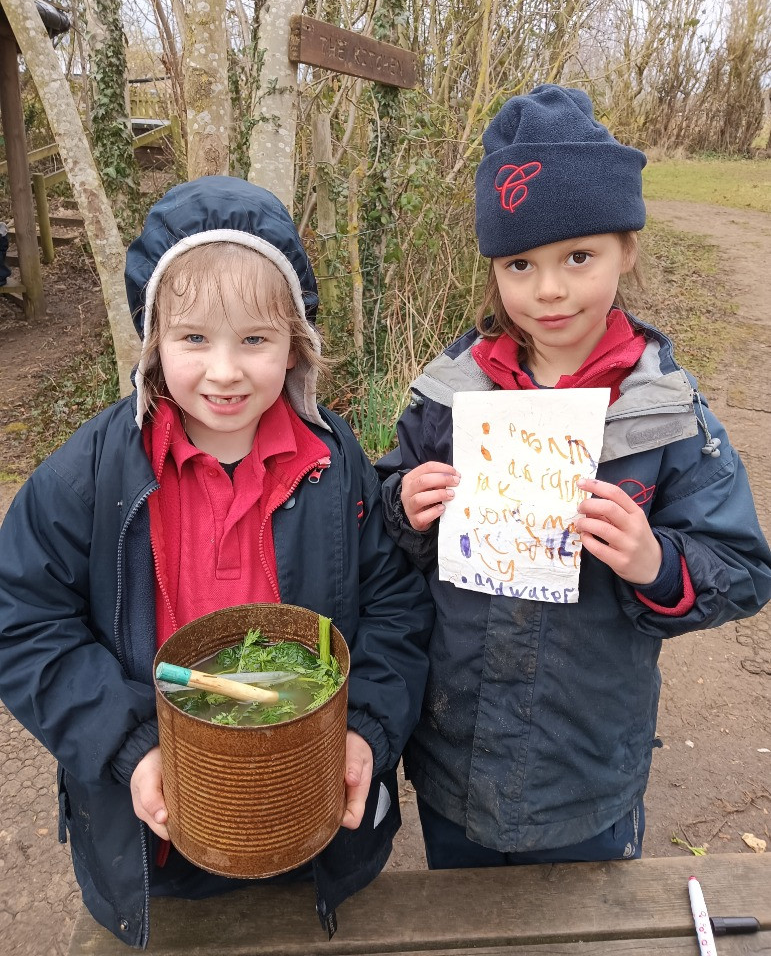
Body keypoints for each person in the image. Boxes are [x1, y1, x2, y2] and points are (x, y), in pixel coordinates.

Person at [0, 176, 434, 948]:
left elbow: (396, 607)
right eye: (194, 339)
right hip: (155, 835)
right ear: (152, 340)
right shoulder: (90, 478)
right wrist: (130, 750)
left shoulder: (338, 471)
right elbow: (23, 618)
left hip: (314, 828)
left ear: (295, 344)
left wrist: (362, 730)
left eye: (255, 340)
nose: (226, 371)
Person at [376, 84, 771, 870]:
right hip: (455, 753)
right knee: (465, 918)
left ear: (627, 248)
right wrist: (400, 506)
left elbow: (744, 569)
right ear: (494, 268)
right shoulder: (447, 397)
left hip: (586, 766)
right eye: (520, 264)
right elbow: (384, 539)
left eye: (577, 257)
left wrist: (653, 563)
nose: (548, 290)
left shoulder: (665, 413)